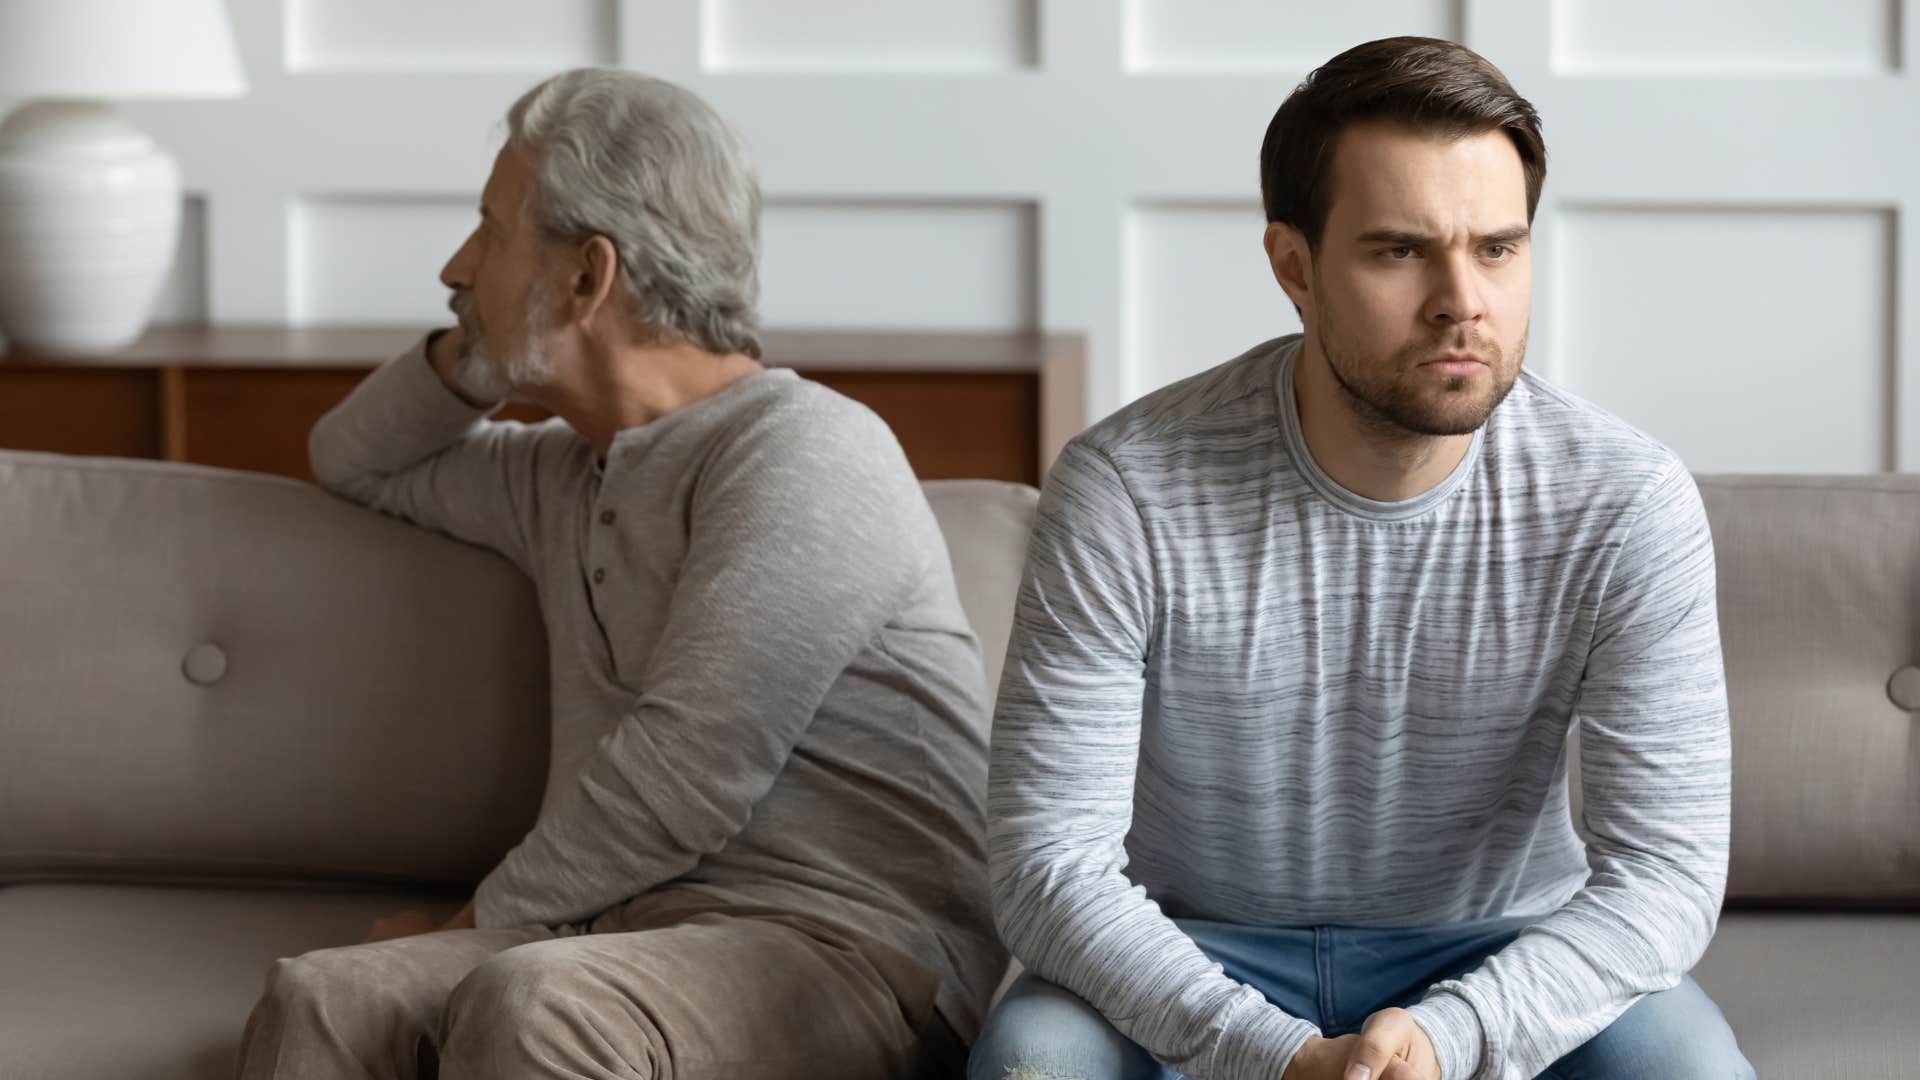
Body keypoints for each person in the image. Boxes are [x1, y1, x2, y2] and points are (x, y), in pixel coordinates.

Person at [972, 36, 1754, 1080]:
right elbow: (1046, 865)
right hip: (1195, 946)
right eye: (1399, 251)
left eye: (1497, 248)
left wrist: (1453, 1034)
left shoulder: (1624, 502)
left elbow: (1666, 876)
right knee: (1037, 1063)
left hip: (1502, 946)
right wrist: (1275, 1052)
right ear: (1294, 268)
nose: (1461, 300)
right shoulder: (1126, 489)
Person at [235, 67, 1004, 1079]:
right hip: (624, 939)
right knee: (325, 994)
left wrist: (466, 927)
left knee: (536, 1002)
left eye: (491, 233)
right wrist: (487, 340)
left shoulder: (806, 449)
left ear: (590, 277)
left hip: (851, 949)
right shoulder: (559, 473)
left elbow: (688, 775)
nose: (454, 266)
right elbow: (355, 458)